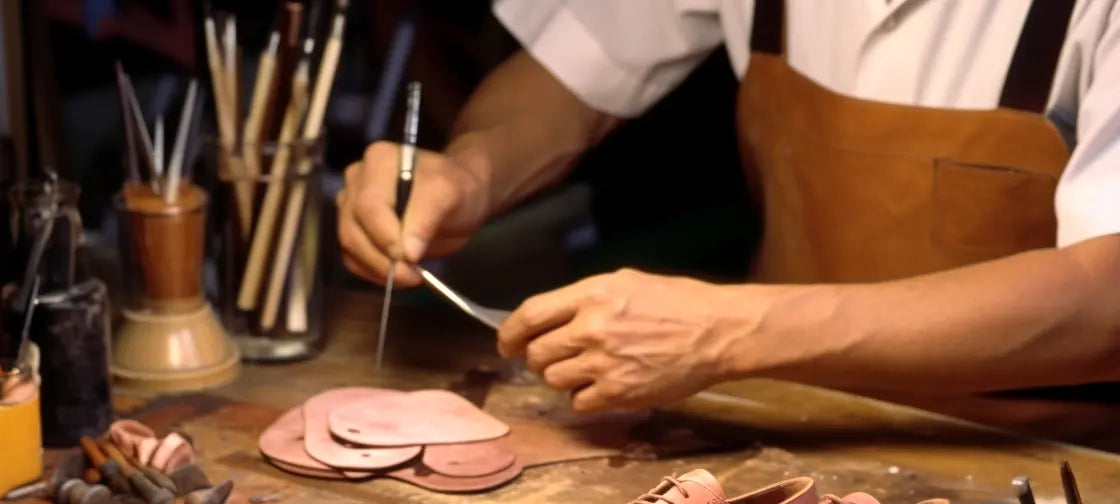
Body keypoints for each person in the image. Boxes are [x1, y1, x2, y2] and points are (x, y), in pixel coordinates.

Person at [336, 0, 1120, 448]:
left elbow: (1108, 296)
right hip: (777, 430)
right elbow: (574, 71)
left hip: (1038, 467)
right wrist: (470, 171)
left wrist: (728, 332)